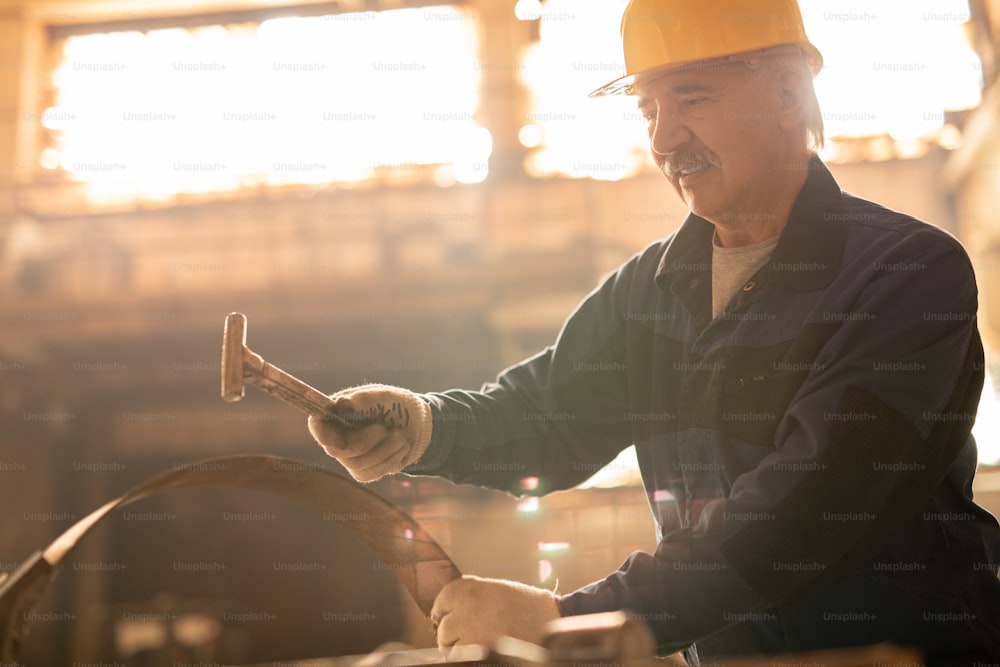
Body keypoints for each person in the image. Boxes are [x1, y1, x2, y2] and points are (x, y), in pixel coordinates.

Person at [308, 0, 1000, 663]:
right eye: (649, 109)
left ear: (789, 94)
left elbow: (813, 505)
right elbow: (549, 416)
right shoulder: (652, 290)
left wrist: (566, 620)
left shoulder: (907, 274)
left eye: (692, 99)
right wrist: (423, 425)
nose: (665, 136)